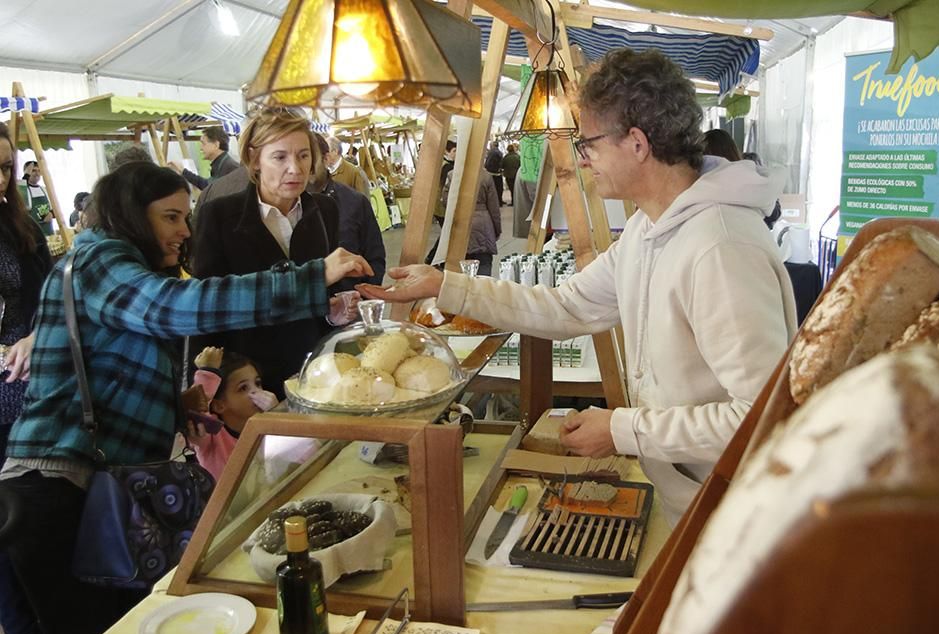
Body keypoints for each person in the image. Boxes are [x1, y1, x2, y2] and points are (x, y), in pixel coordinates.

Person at [360, 48, 797, 524]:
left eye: (588, 143)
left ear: (636, 143)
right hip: (692, 497)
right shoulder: (649, 230)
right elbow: (567, 306)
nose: (582, 159)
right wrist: (447, 285)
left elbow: (762, 416)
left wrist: (622, 429)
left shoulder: (720, 247)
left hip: (734, 510)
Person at [0, 161, 371, 634]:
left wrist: (172, 406)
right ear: (131, 215)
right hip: (60, 491)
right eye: (171, 217)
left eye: (186, 216)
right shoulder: (98, 260)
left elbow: (100, 366)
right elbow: (179, 307)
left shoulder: (109, 266)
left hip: (84, 488)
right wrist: (313, 276)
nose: (184, 231)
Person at [192, 108, 357, 396]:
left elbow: (328, 292)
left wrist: (336, 310)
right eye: (280, 157)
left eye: (303, 155)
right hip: (249, 377)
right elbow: (206, 305)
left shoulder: (324, 210)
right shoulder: (219, 215)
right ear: (254, 159)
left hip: (314, 370)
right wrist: (206, 387)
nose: (295, 168)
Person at [0, 122, 50, 634]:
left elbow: (51, 297)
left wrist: (38, 333)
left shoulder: (22, 225)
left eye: (6, 167)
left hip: (29, 396)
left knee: (30, 525)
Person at [187, 347, 278, 480]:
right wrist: (208, 372)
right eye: (243, 388)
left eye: (257, 384)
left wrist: (278, 415)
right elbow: (193, 411)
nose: (257, 392)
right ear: (219, 405)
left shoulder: (266, 425)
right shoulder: (211, 436)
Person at [313, 134, 386, 286]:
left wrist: (363, 296)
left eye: (306, 157)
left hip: (351, 301)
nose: (297, 167)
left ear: (326, 159)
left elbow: (375, 257)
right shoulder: (284, 206)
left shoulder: (355, 202)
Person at [439, 167, 502, 276]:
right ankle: (482, 290)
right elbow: (494, 207)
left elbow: (446, 201)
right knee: (483, 264)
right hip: (483, 223)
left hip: (459, 223)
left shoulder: (452, 175)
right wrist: (497, 230)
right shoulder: (485, 176)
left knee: (461, 267)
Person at [168, 126, 239, 191]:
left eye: (203, 143)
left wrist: (183, 170)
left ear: (216, 145)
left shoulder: (229, 166)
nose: (201, 148)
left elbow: (209, 186)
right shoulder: (224, 163)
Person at [16, 161, 53, 236]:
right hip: (32, 234)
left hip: (49, 233)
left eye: (39, 171)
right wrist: (26, 175)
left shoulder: (45, 189)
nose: (37, 173)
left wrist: (51, 214)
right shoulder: (23, 190)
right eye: (33, 171)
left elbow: (53, 208)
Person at [484, 140, 504, 205]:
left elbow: (487, 164)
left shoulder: (491, 152)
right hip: (498, 173)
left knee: (493, 189)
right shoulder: (499, 152)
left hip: (491, 173)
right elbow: (501, 163)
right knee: (499, 188)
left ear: (492, 145)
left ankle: (496, 202)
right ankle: (500, 201)